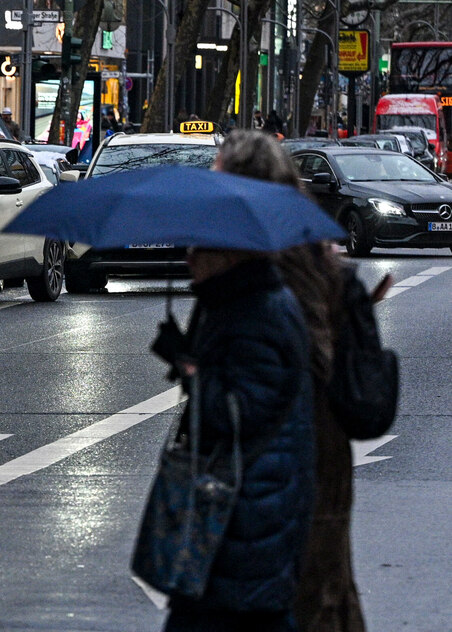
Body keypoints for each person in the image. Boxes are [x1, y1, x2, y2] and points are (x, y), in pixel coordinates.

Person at [152, 136, 315, 631]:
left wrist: (191, 370)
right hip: (238, 531)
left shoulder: (258, 313)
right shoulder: (235, 304)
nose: (188, 257)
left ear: (229, 253)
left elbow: (237, 413)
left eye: (199, 247)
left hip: (243, 532)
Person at [214, 129, 367, 632]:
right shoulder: (321, 267)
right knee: (325, 585)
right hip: (322, 459)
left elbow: (251, 390)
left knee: (295, 591)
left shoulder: (258, 280)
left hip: (280, 462)